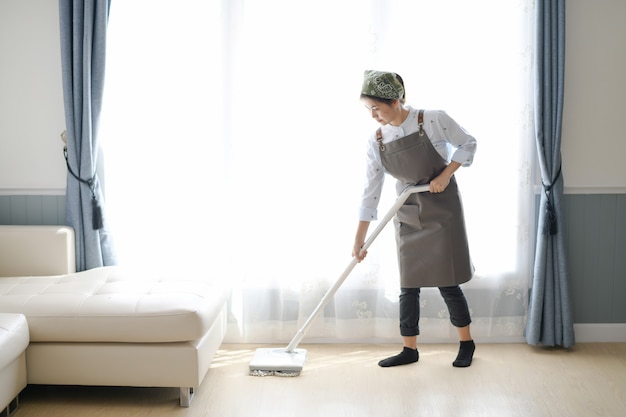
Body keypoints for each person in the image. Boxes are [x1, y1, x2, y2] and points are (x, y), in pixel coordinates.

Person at [353, 70, 477, 368]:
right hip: (407, 209)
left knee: (448, 282)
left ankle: (466, 343)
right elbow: (371, 190)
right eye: (368, 110)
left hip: (442, 208)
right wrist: (359, 238)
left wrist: (445, 175)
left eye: (375, 108)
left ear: (395, 101)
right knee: (408, 284)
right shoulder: (378, 140)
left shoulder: (433, 119)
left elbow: (468, 144)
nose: (373, 116)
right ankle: (409, 349)